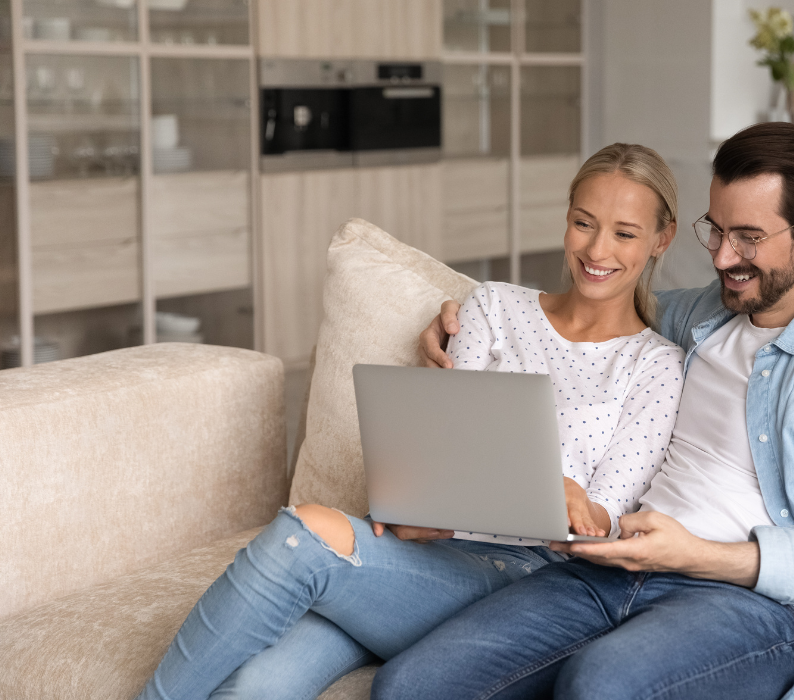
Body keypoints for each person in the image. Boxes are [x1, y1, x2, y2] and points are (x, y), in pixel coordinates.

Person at [383, 121, 794, 700]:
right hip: (609, 569)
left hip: (753, 603)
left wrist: (696, 555)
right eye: (716, 231)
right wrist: (455, 315)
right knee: (409, 685)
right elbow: (581, 304)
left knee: (601, 685)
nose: (723, 257)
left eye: (748, 237)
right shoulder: (696, 316)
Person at [137, 143, 685, 700]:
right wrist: (413, 505)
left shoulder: (656, 366)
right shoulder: (493, 307)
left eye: (624, 233)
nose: (597, 249)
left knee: (303, 534)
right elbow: (442, 440)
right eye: (584, 223)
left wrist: (560, 494)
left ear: (661, 239)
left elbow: (604, 523)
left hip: (524, 580)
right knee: (258, 686)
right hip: (418, 551)